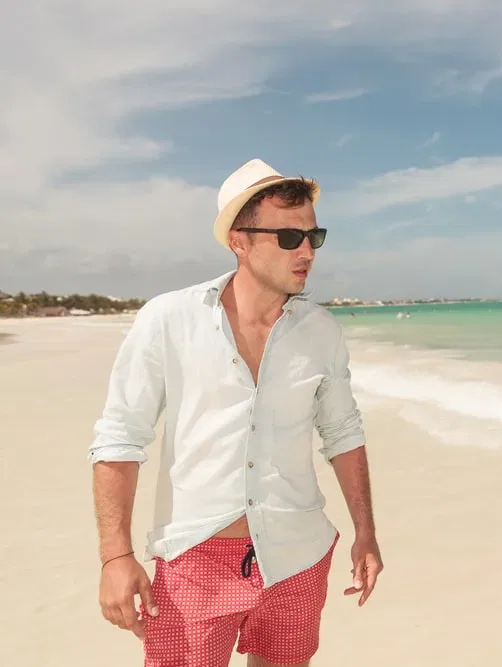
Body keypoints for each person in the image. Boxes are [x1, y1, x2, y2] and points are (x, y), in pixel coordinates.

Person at [89, 158, 383, 667]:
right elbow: (121, 437)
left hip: (297, 558)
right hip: (193, 563)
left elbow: (342, 432)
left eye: (315, 237)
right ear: (239, 242)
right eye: (290, 238)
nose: (307, 252)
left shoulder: (323, 332)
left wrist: (366, 532)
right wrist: (115, 556)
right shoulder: (169, 319)